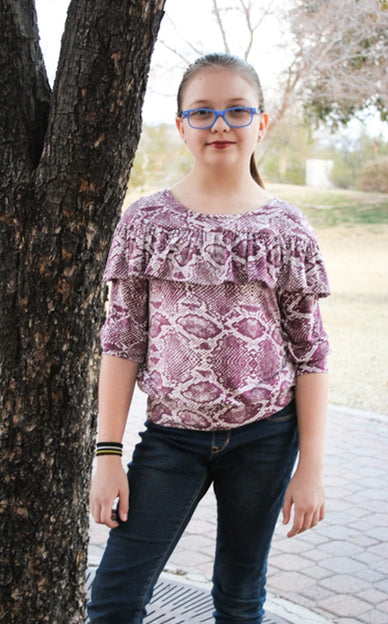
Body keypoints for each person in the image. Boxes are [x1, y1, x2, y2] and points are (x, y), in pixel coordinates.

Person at [88, 52, 330, 624]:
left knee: (240, 598)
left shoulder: (287, 228)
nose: (219, 125)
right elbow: (121, 340)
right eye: (201, 112)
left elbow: (311, 353)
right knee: (114, 600)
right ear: (180, 126)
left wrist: (312, 469)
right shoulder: (146, 222)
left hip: (266, 438)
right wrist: (108, 454)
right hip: (171, 440)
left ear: (261, 123)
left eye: (237, 110)